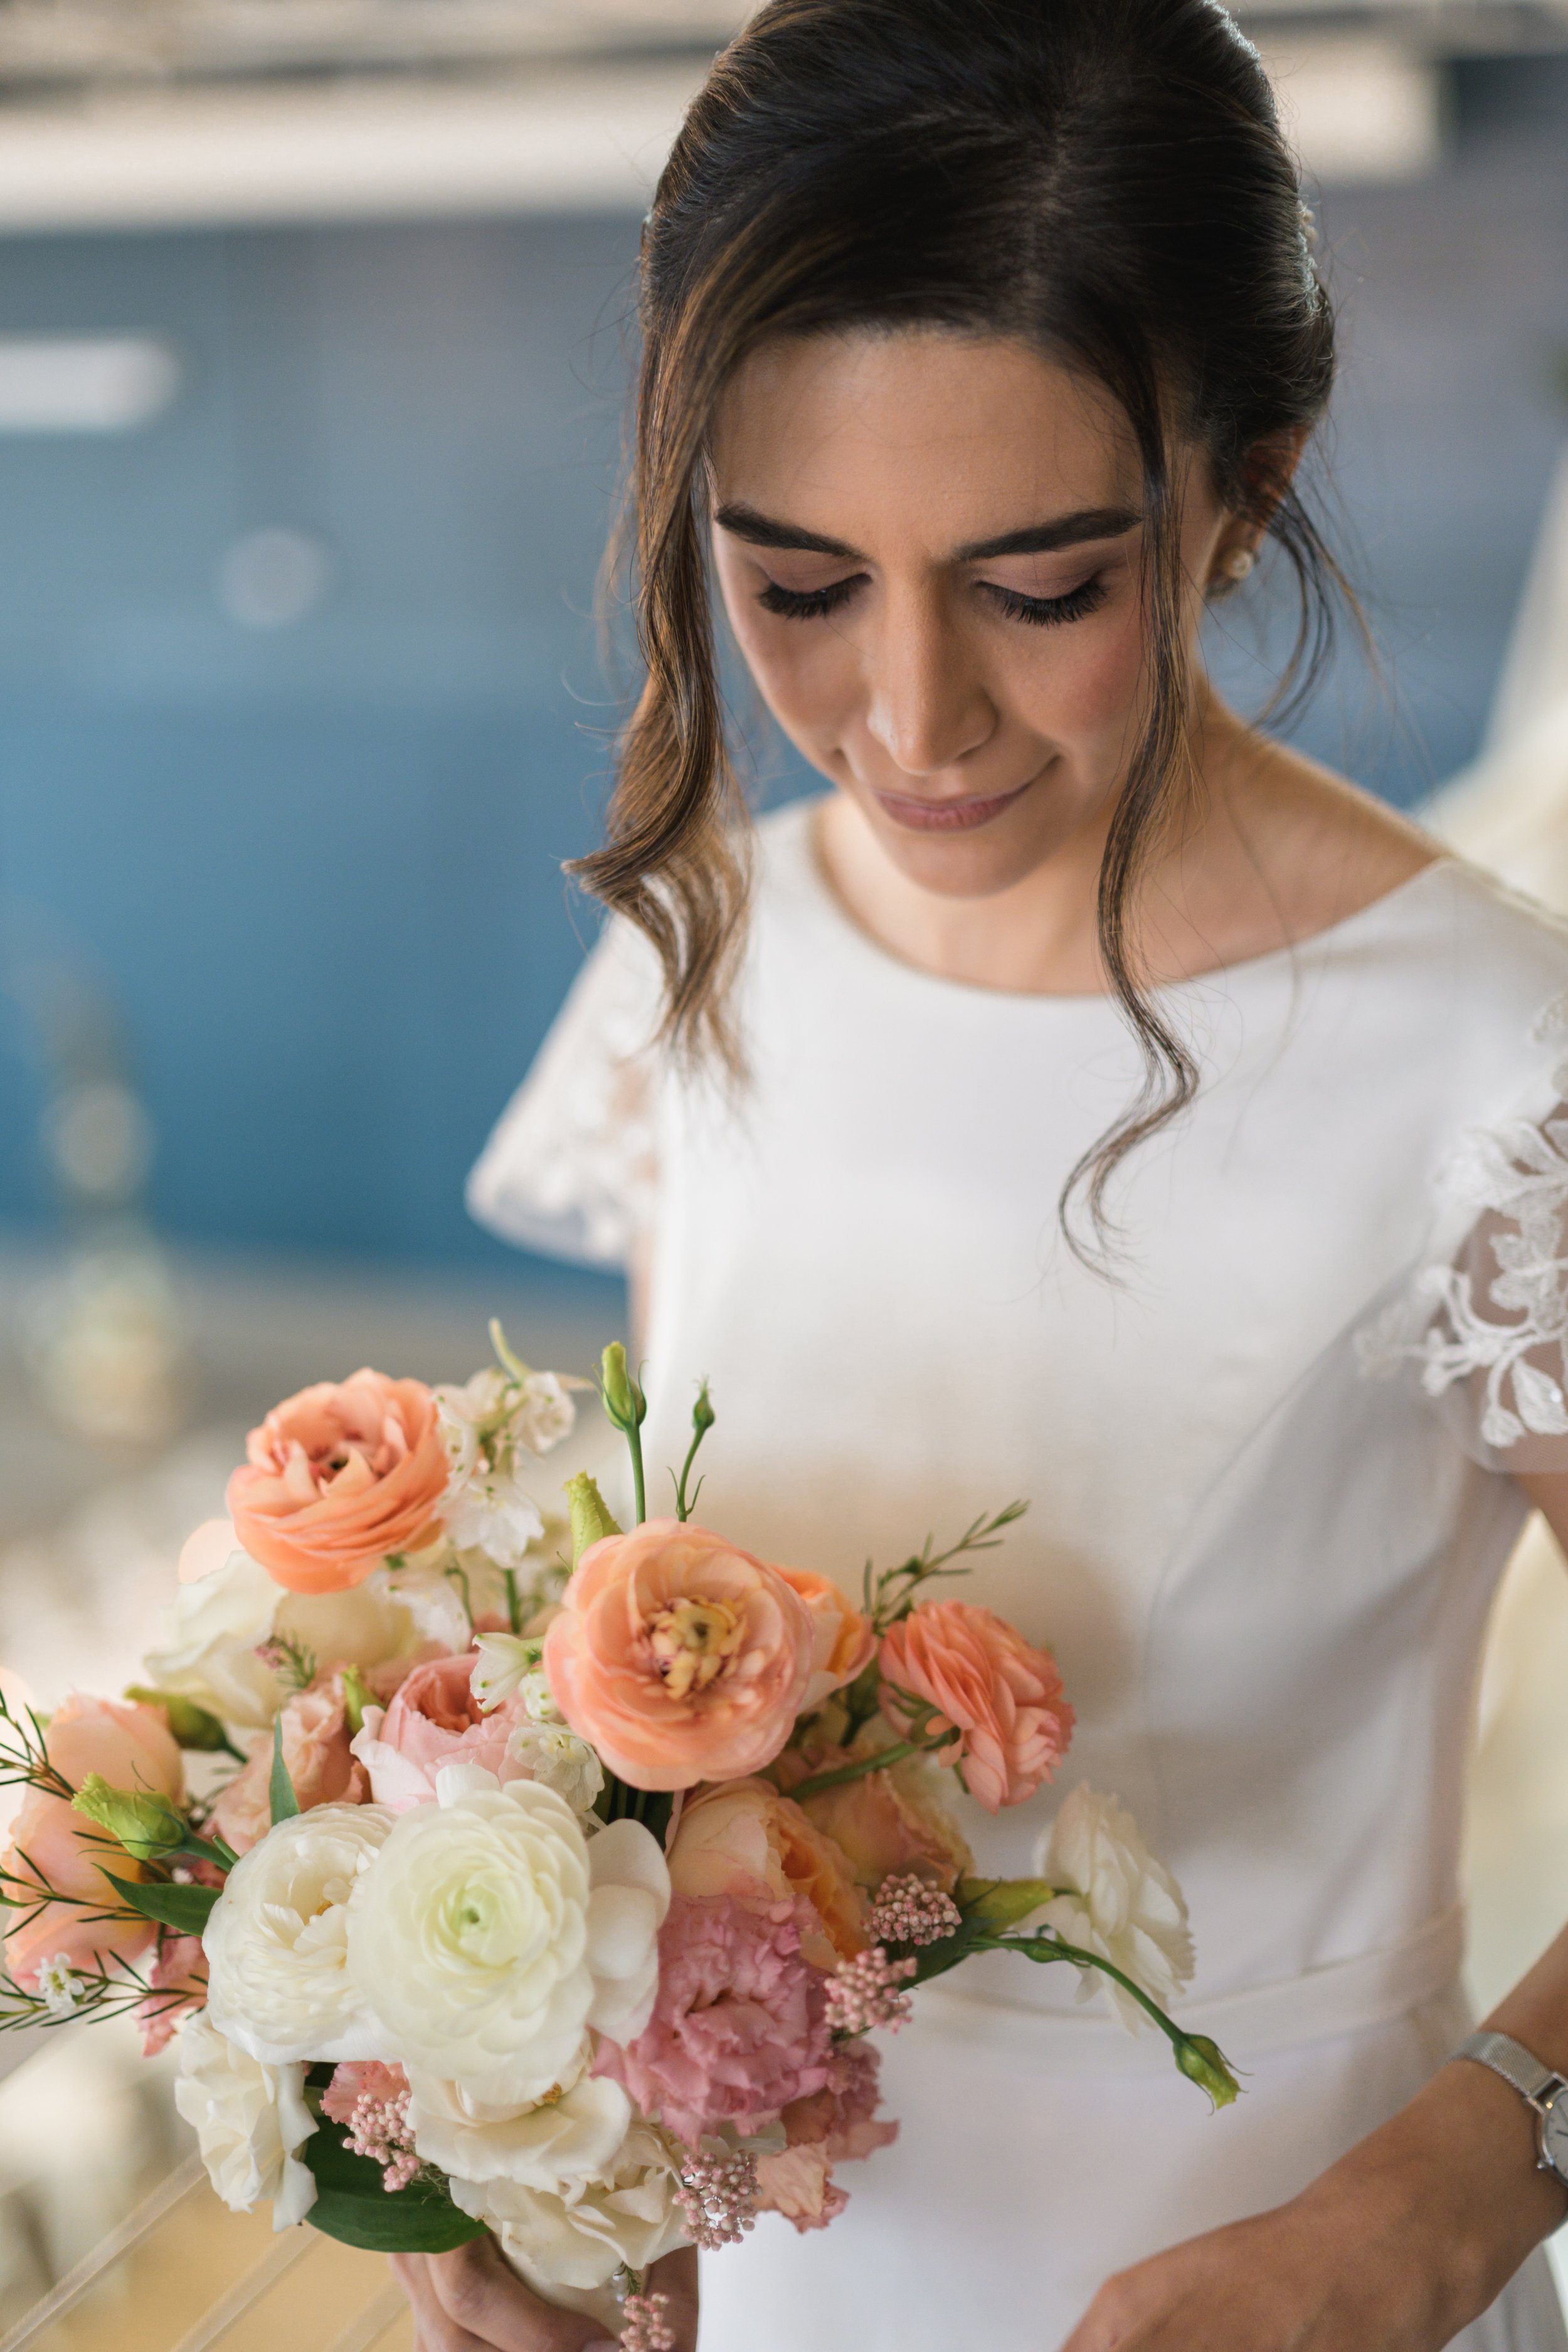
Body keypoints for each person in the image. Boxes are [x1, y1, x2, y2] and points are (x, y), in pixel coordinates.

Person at [399, 1, 1568, 2344]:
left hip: (1281, 2257)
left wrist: (1453, 2200)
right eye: (799, 584)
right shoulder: (696, 950)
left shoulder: (1499, 1059)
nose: (911, 721)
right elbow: (671, 1687)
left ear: (1249, 474)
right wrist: (560, 2190)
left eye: (1043, 587)